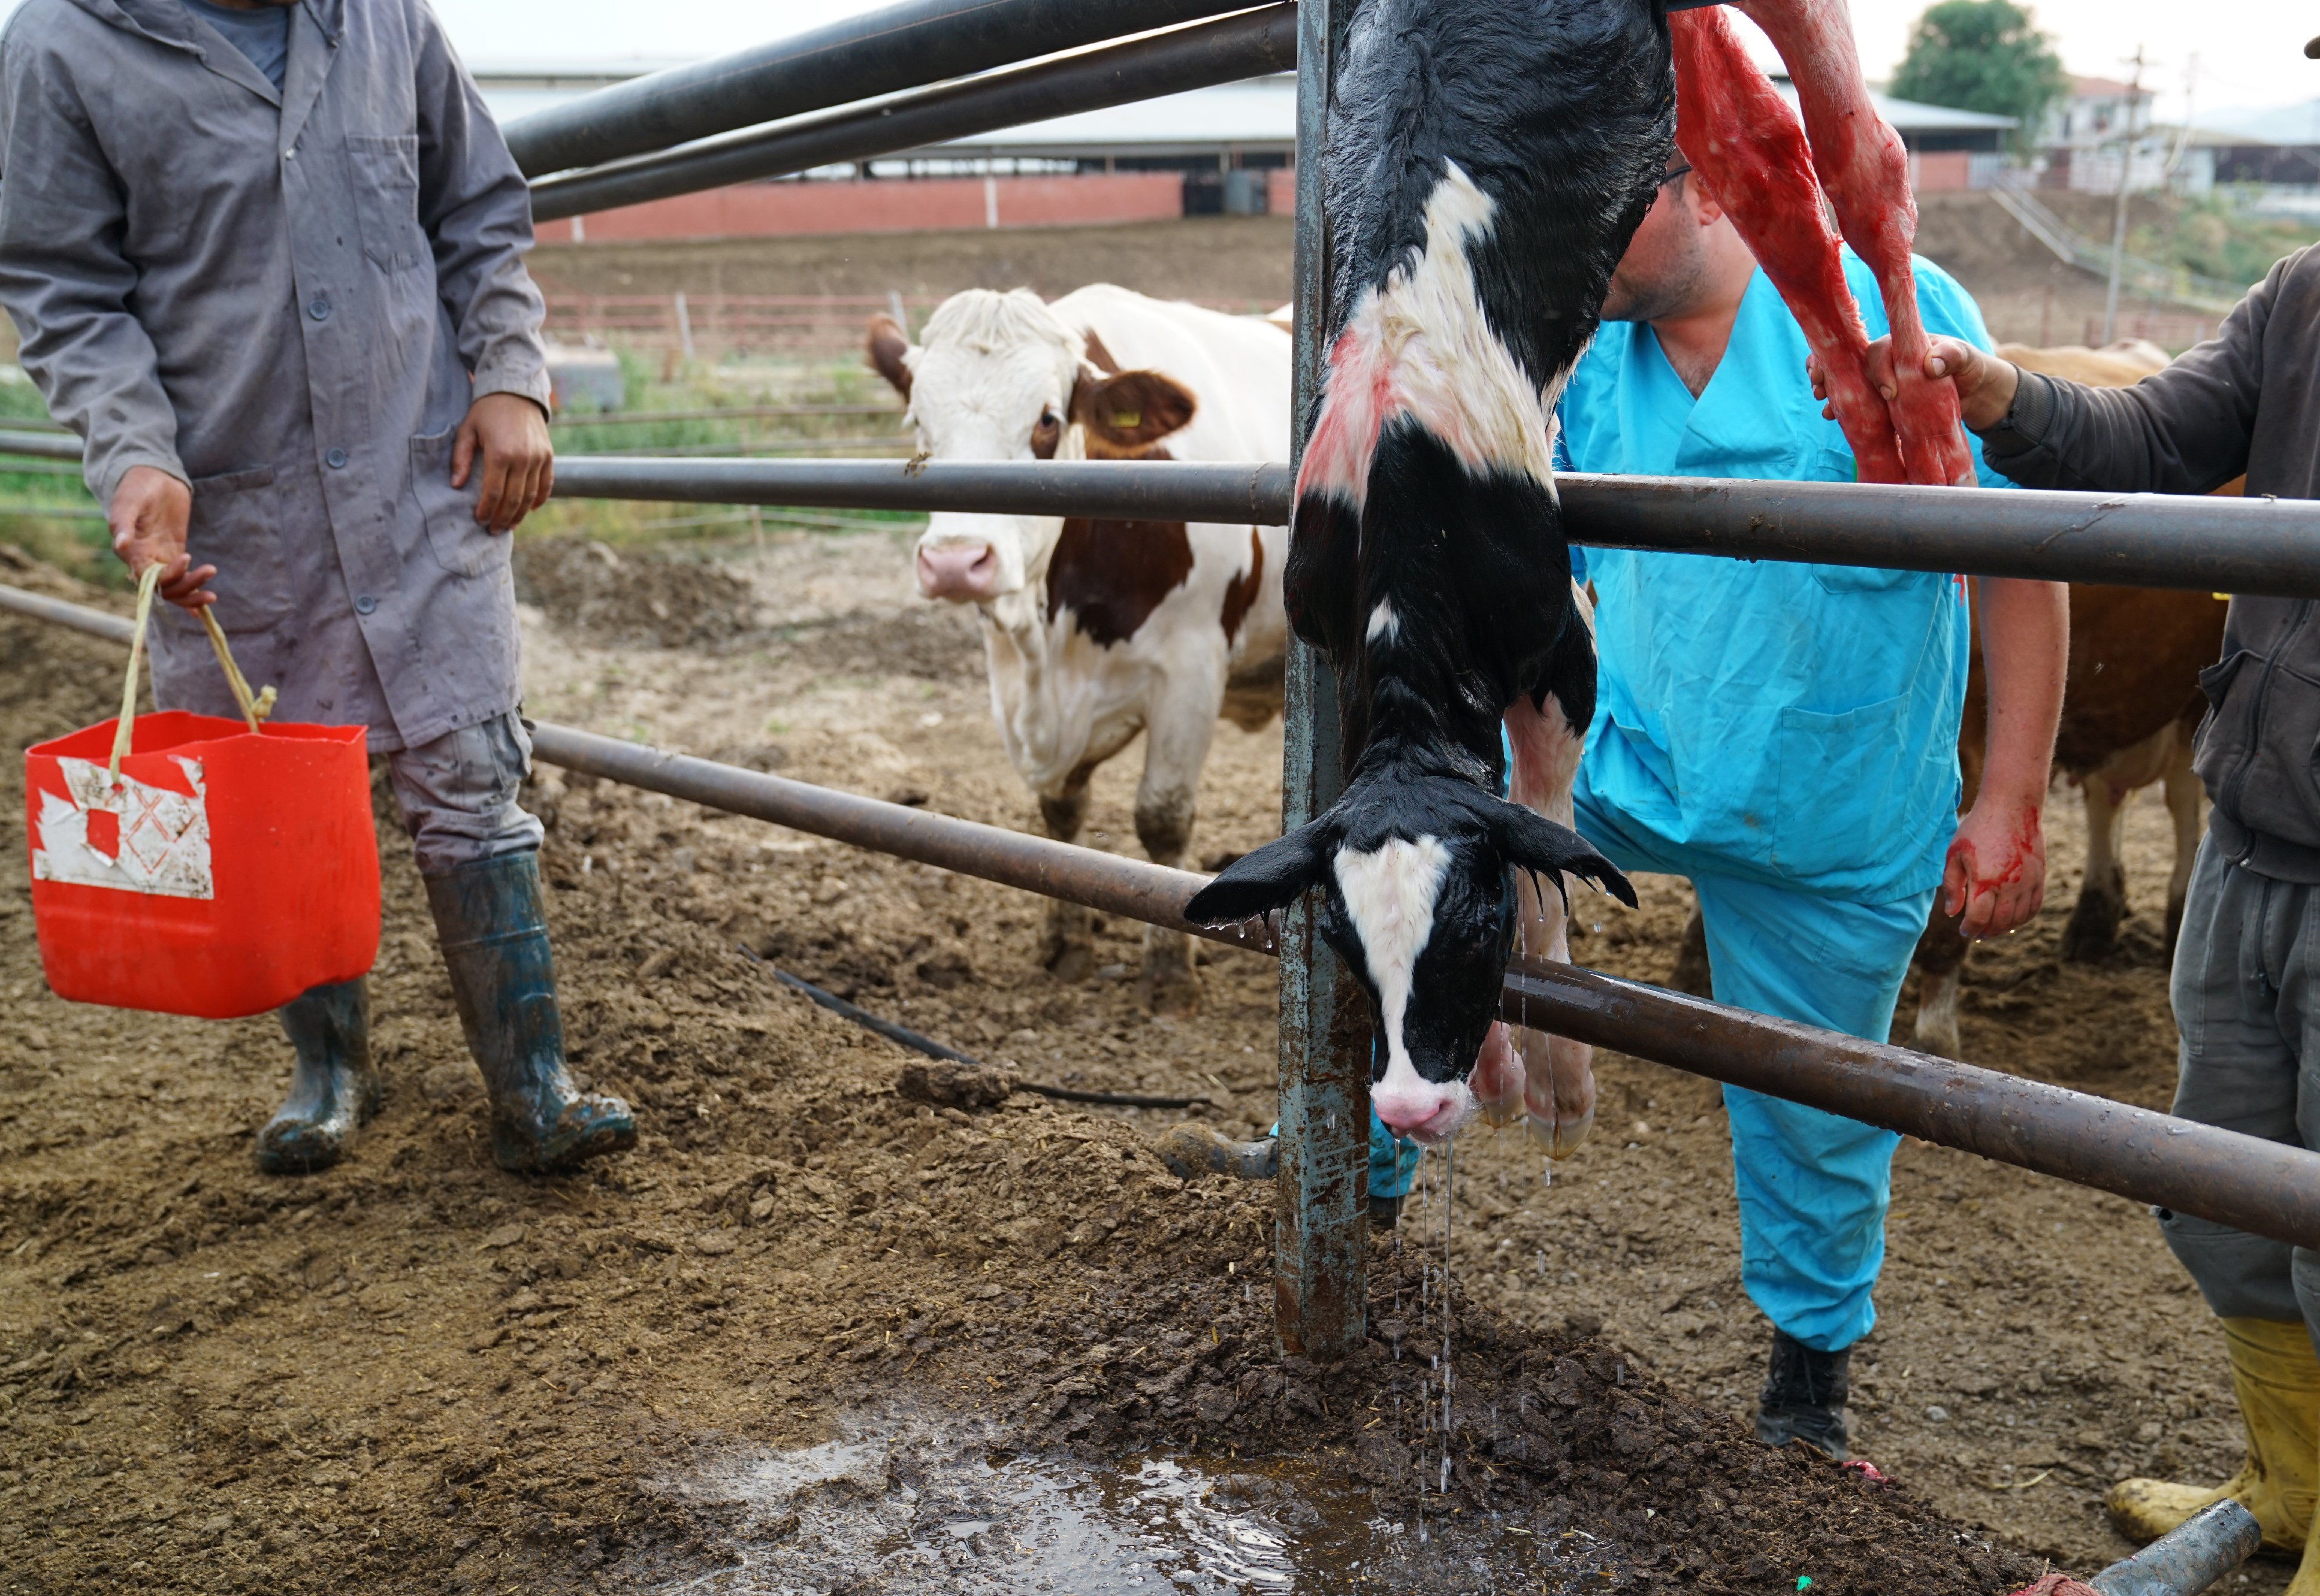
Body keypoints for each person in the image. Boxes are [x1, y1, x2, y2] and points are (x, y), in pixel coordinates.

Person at [0, 0, 635, 1176]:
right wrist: (135, 451)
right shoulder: (62, 44)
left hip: (420, 470)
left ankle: (532, 1084)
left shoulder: (384, 16)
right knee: (278, 792)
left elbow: (478, 204)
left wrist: (508, 370)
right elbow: (65, 289)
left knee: (470, 772)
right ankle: (332, 1066)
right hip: (240, 502)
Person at [1867, 64, 2320, 1565]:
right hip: (2258, 832)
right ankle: (2290, 1476)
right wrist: (2003, 397)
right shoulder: (2302, 300)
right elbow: (2155, 442)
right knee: (2226, 1193)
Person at [1554, 155, 2067, 1457]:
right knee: (1411, 901)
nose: (1580, 233)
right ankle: (1350, 1190)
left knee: (1818, 1105)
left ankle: (1805, 1392)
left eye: (1611, 199)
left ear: (1713, 185)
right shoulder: (1580, 349)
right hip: (1631, 761)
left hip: (1834, 796)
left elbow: (2019, 558)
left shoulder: (1883, 306)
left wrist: (2008, 793)